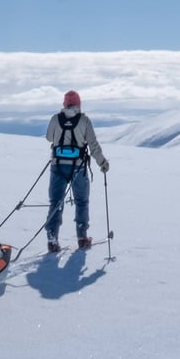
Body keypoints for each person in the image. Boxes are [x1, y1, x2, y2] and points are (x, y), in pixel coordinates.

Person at [44, 90, 109, 252]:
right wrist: (102, 162)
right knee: (81, 201)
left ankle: (52, 239)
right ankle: (82, 237)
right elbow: (93, 144)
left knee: (56, 202)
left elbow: (49, 138)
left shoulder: (55, 119)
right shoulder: (84, 120)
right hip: (78, 167)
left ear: (64, 104)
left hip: (57, 166)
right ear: (79, 104)